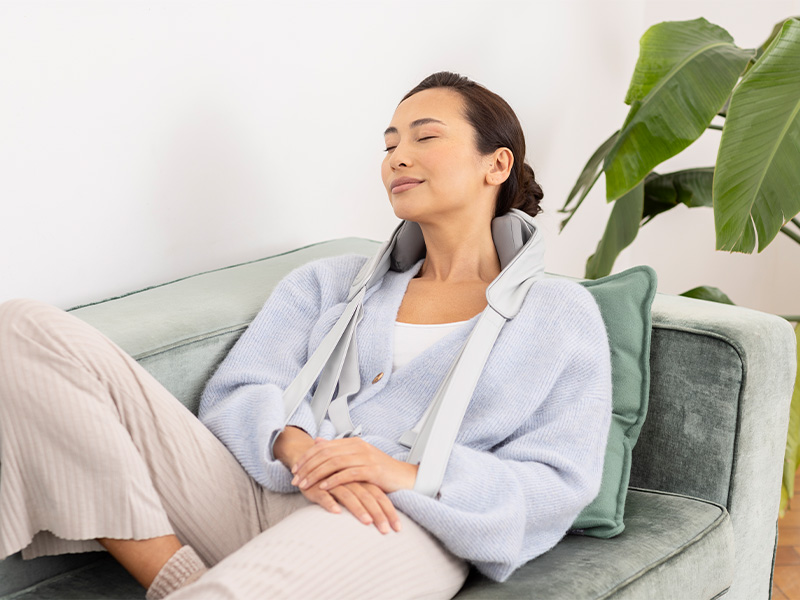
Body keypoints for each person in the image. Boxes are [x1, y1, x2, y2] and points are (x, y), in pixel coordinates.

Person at [0, 71, 612, 599]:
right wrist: (291, 442)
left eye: (425, 137)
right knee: (22, 328)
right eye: (390, 144)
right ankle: (182, 580)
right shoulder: (328, 282)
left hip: (395, 517)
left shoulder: (559, 313)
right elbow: (238, 391)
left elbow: (558, 479)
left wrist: (405, 473)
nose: (397, 158)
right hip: (260, 485)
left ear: (496, 164)